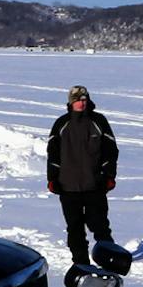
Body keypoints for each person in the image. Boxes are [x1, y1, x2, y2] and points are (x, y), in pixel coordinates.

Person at [47, 85, 119, 267]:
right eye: (78, 100)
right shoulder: (61, 124)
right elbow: (53, 154)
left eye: (84, 99)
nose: (82, 103)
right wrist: (52, 179)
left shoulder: (98, 121)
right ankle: (81, 263)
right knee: (75, 229)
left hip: (95, 185)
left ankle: (109, 260)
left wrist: (108, 175)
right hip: (68, 187)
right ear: (71, 102)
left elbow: (111, 151)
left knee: (100, 226)